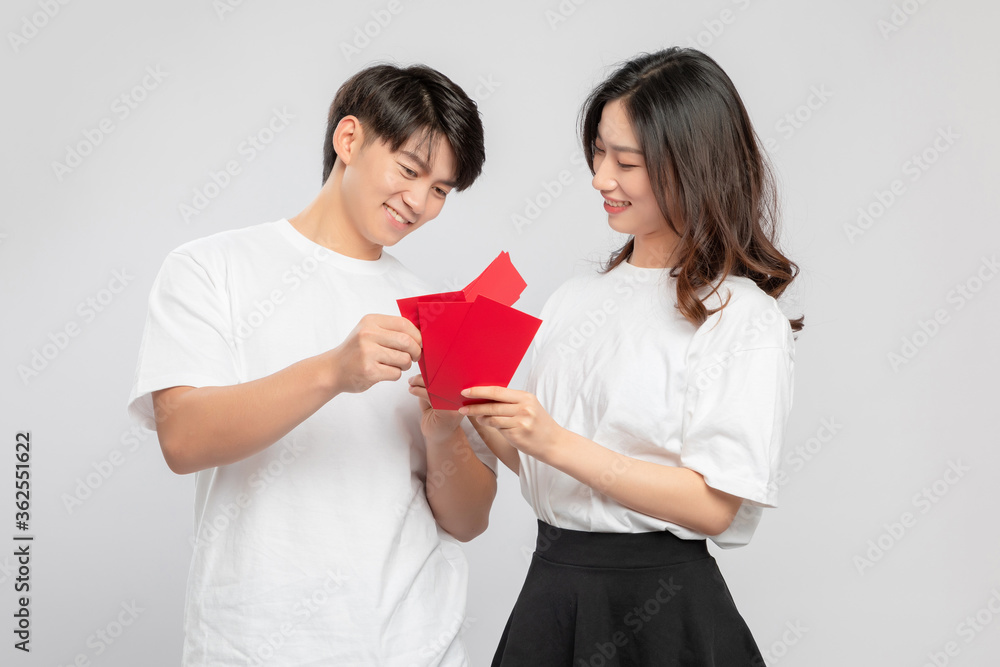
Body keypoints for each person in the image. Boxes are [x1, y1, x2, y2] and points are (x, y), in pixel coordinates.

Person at [127, 63, 497, 666]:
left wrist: (443, 429)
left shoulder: (438, 312)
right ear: (348, 140)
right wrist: (332, 372)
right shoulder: (211, 267)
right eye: (410, 170)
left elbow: (469, 520)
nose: (419, 202)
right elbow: (182, 438)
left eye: (441, 191)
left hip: (414, 645)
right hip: (253, 643)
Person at [461, 47, 803, 665]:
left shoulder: (740, 314)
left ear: (693, 165)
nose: (600, 178)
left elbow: (716, 506)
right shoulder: (572, 300)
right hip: (551, 593)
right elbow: (541, 468)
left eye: (626, 161)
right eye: (597, 152)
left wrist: (555, 441)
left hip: (664, 609)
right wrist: (473, 407)